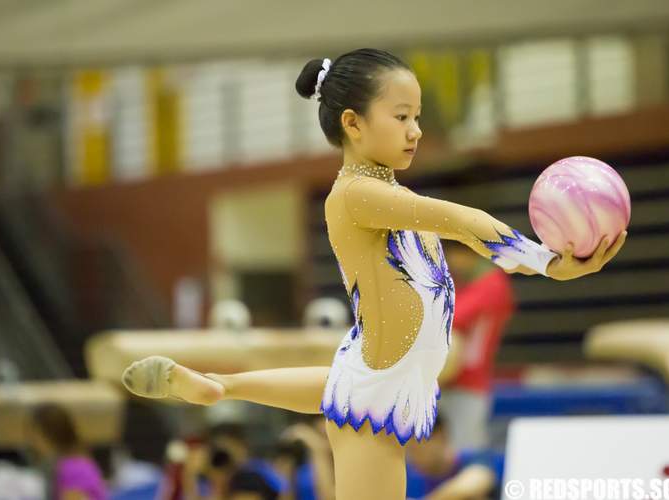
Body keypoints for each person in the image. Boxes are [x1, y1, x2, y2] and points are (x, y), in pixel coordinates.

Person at [121, 48, 627, 500]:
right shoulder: (355, 195)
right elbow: (464, 221)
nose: (416, 130)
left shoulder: (395, 199)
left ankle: (219, 386)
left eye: (418, 116)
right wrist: (547, 263)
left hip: (389, 380)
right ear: (354, 123)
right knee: (352, 385)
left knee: (344, 381)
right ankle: (221, 386)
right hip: (378, 399)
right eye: (402, 115)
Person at [439, 240, 515, 449]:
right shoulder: (460, 283)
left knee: (466, 449)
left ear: (472, 253)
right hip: (442, 382)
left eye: (455, 255)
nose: (451, 261)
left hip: (469, 383)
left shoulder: (493, 283)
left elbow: (452, 318)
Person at [404, 415, 502, 500]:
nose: (412, 454)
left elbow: (475, 482)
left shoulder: (477, 457)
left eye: (416, 447)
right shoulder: (409, 478)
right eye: (409, 449)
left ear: (441, 436)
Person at [28, 403, 108, 500]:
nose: (32, 442)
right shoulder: (66, 461)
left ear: (49, 435)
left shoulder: (74, 469)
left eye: (35, 436)